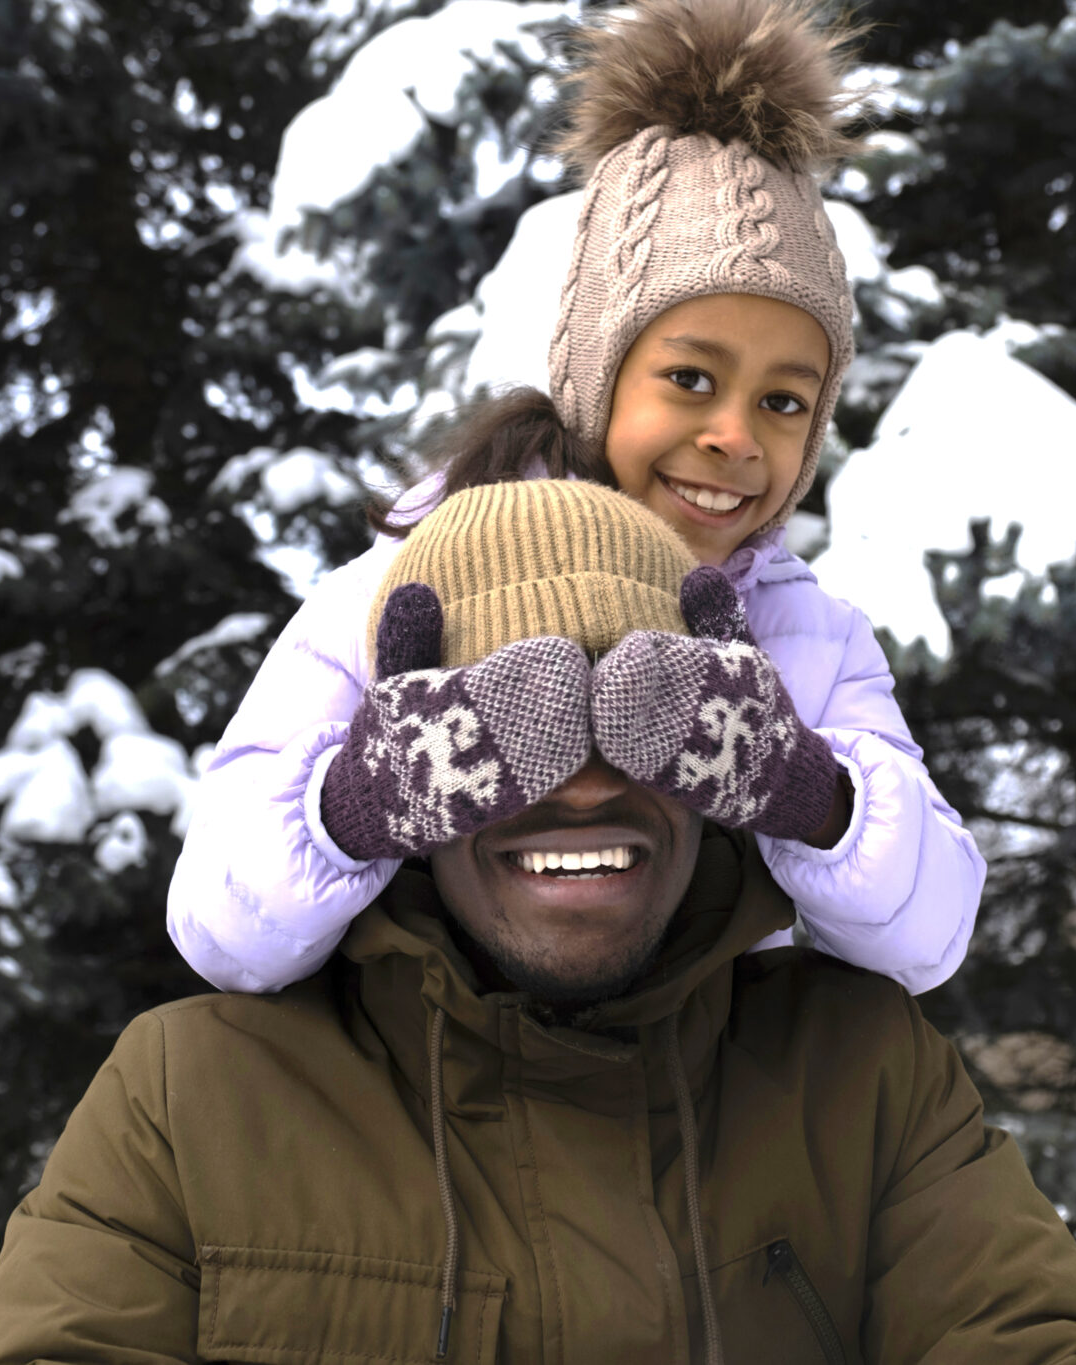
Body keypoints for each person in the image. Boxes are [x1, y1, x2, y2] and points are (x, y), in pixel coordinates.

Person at [0, 483, 1076, 1365]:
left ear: (718, 760)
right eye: (505, 739)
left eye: (640, 724)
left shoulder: (859, 1078)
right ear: (408, 780)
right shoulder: (191, 1097)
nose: (581, 786)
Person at [167, 0, 985, 1001]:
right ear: (597, 376)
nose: (734, 434)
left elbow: (929, 939)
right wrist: (358, 804)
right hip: (434, 1104)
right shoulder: (405, 590)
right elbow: (217, 931)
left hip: (702, 1115)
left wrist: (807, 791)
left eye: (782, 401)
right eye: (689, 379)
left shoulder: (805, 637)